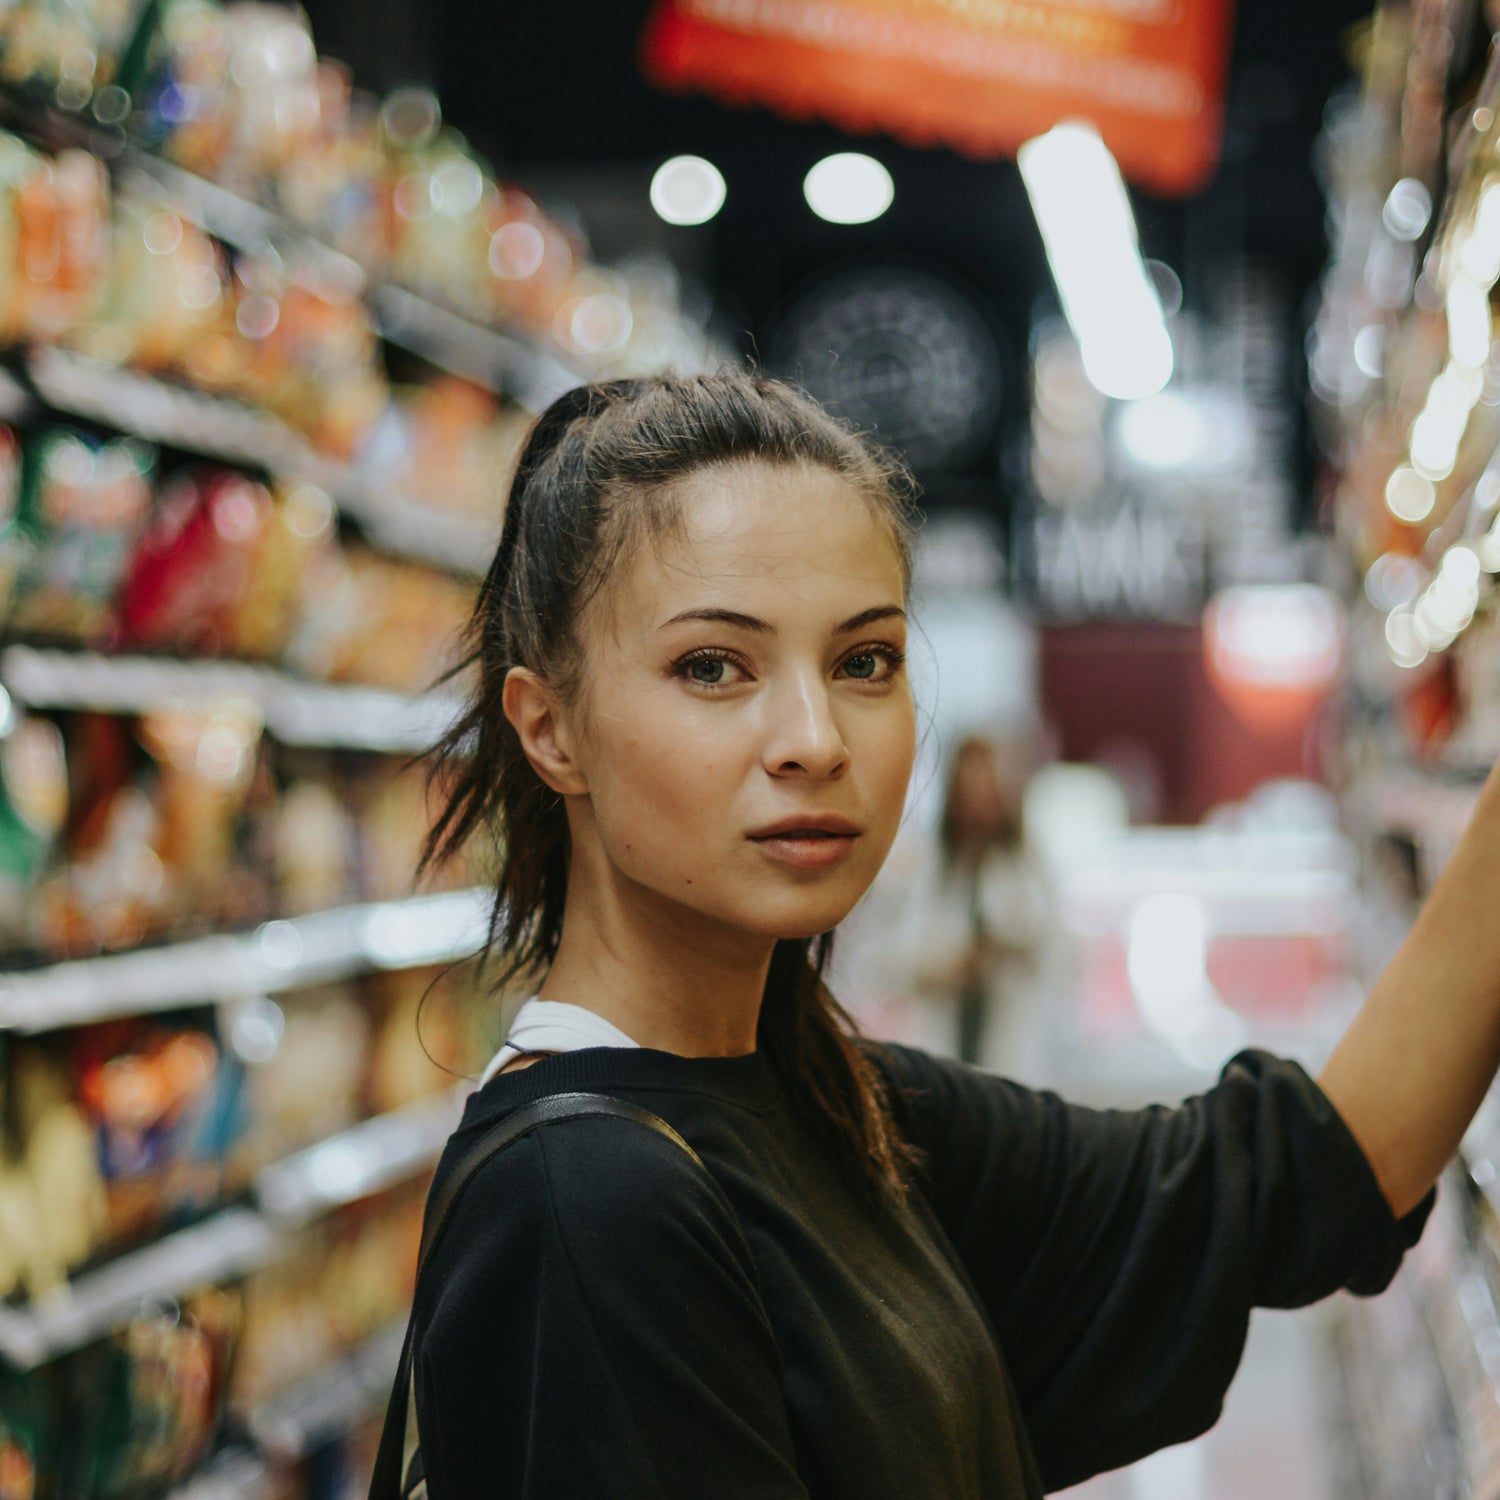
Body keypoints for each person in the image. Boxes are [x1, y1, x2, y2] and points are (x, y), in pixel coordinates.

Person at [400, 371, 1480, 1498]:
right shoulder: (591, 1203)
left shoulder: (836, 1105)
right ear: (550, 728)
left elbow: (1287, 1184)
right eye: (714, 667)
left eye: (864, 661)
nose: (815, 740)